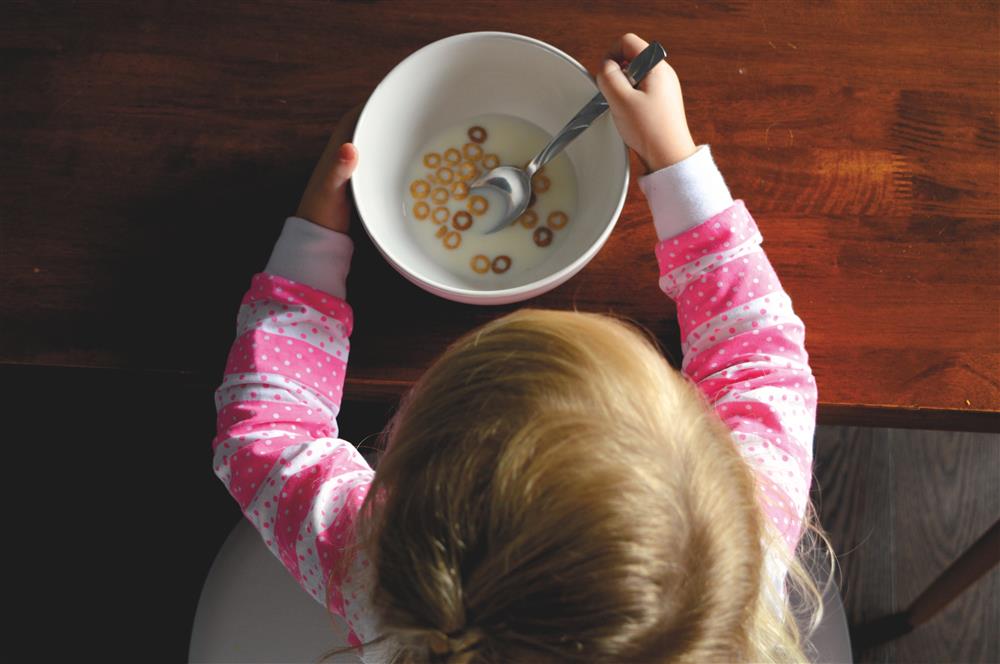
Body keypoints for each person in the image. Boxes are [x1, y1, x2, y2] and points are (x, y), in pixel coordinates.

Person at [211, 32, 832, 663]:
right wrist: (674, 159)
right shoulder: (747, 545)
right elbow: (759, 359)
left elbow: (264, 433)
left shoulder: (378, 571)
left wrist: (314, 236)